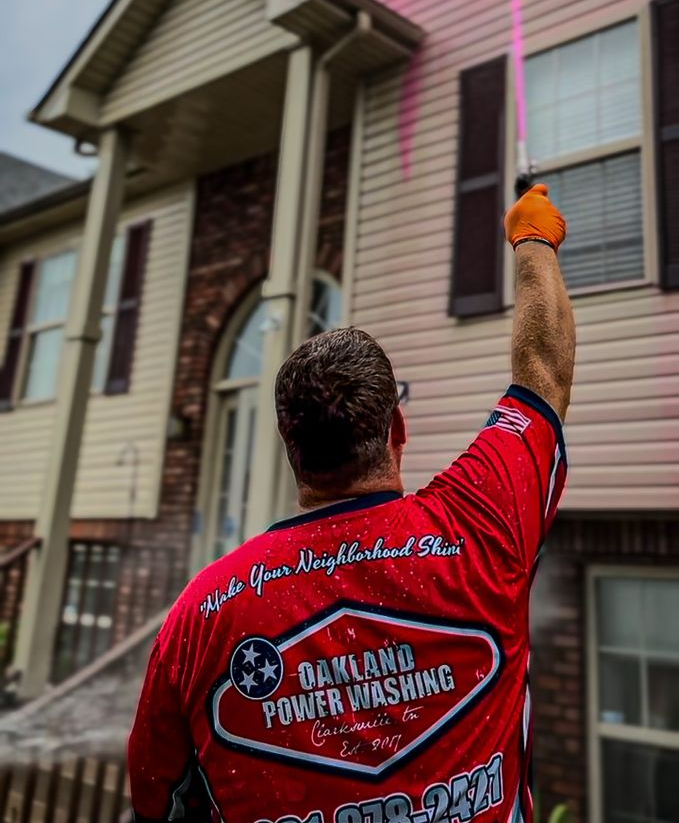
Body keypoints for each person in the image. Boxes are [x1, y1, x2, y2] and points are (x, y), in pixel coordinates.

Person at [128, 184, 575, 823]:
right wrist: (533, 243)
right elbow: (543, 376)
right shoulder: (482, 525)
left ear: (290, 443)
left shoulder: (201, 615)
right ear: (397, 430)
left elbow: (156, 796)